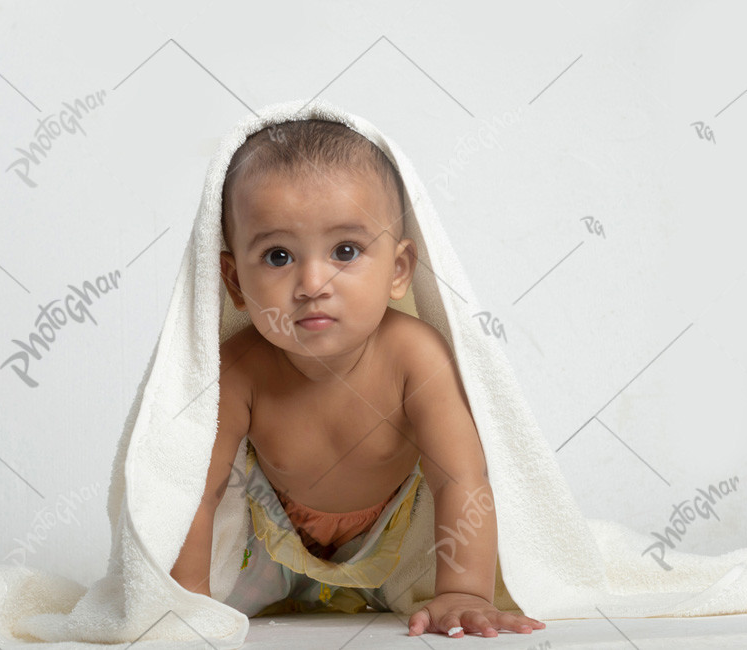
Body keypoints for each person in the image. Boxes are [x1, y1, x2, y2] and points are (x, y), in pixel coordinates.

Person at [169, 118, 546, 639]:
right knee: (203, 602)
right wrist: (185, 597)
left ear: (398, 269)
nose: (312, 283)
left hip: (393, 540)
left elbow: (460, 478)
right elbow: (196, 487)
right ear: (234, 281)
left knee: (429, 587)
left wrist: (464, 590)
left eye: (345, 251)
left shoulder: (414, 355)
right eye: (278, 256)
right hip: (273, 540)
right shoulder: (239, 369)